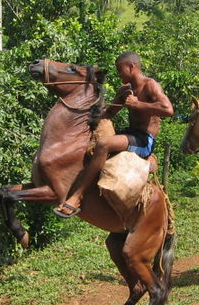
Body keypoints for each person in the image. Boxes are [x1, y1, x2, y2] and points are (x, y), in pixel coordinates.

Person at [54, 51, 174, 218]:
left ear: (131, 67)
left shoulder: (150, 85)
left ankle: (77, 197)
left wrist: (137, 104)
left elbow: (168, 110)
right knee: (92, 143)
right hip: (129, 133)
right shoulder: (127, 89)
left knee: (104, 144)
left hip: (144, 140)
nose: (118, 74)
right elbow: (110, 113)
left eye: (120, 70)